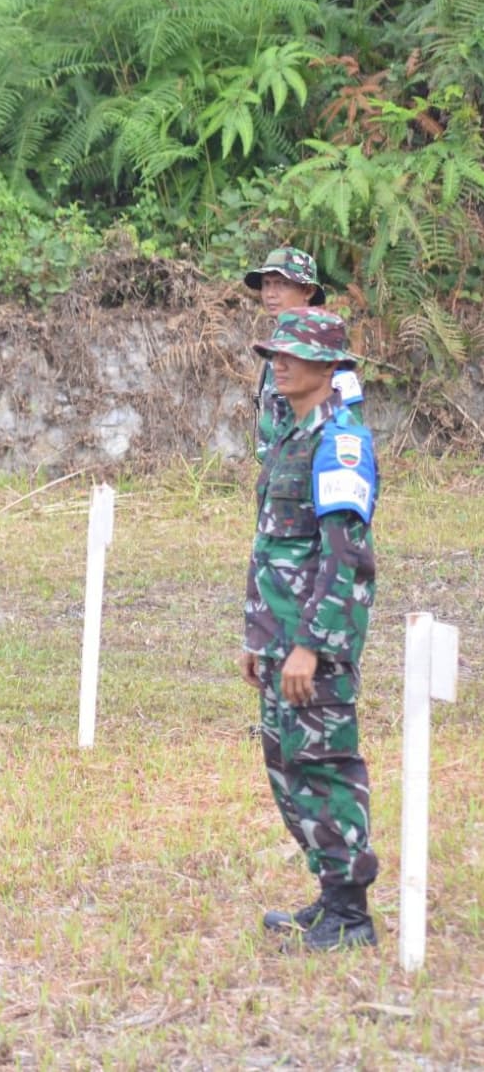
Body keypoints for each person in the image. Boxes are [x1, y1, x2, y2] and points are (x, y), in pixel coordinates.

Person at [238, 308, 380, 952]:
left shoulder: (339, 442)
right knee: (287, 768)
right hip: (280, 640)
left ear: (328, 367)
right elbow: (275, 547)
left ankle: (351, 915)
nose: (279, 361)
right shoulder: (293, 437)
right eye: (275, 352)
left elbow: (345, 556)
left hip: (312, 646)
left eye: (293, 353)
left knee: (324, 768)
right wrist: (261, 638)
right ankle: (329, 898)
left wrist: (311, 646)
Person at [244, 246, 363, 461]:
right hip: (278, 470)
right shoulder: (277, 343)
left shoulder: (321, 343)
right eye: (266, 284)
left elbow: (349, 426)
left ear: (308, 291)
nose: (271, 294)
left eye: (282, 284)